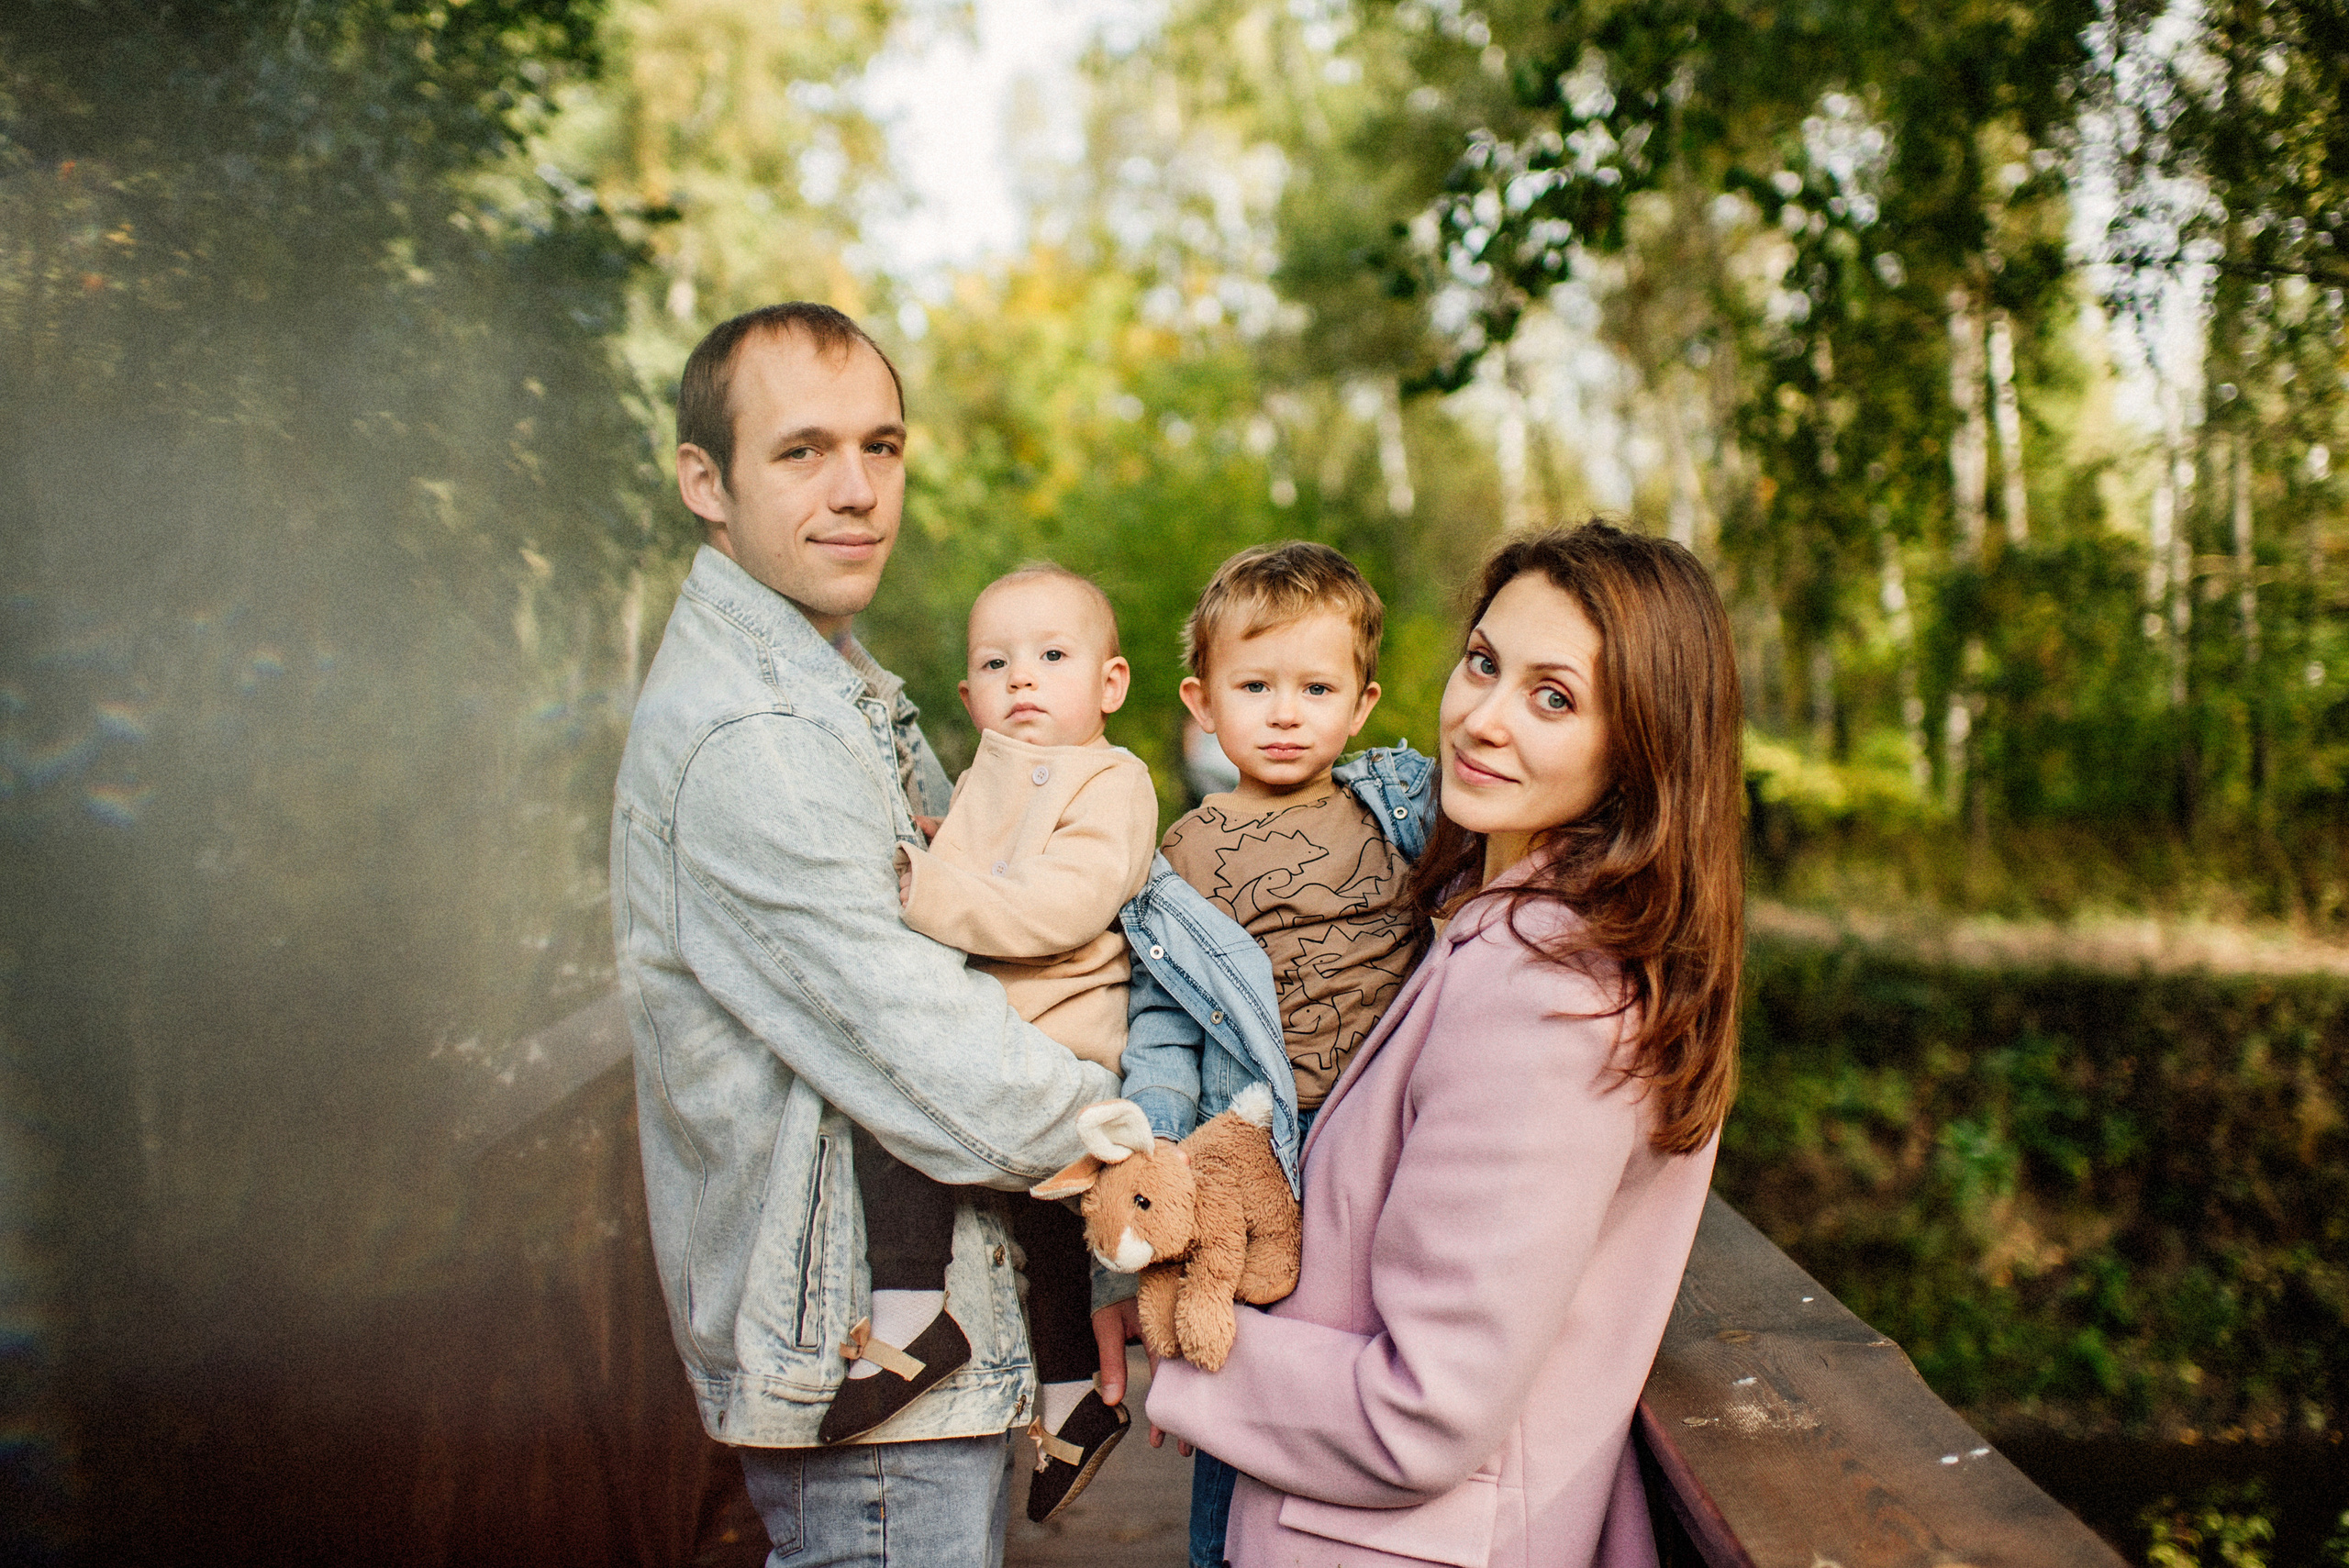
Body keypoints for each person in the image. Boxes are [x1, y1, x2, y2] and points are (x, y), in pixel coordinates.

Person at [610, 303, 1126, 1568]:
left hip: (896, 1339)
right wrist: (1132, 1142)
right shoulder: (759, 737)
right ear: (706, 483)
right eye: (801, 452)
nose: (856, 492)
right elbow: (925, 1045)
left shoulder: (828, 680)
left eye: (882, 447)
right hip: (864, 1363)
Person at [1143, 521, 1745, 1568]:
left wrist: (1185, 1349)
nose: (1480, 718)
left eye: (1551, 697)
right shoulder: (1507, 919)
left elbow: (1422, 1408)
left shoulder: (1550, 996)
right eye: (1483, 662)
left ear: (1639, 742)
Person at [1114, 540, 1438, 1568]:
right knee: (1236, 1362)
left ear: (1360, 701)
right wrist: (1152, 1158)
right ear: (1202, 702)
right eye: (1255, 686)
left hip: (1394, 1134)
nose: (1286, 711)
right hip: (1263, 1150)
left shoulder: (1400, 807)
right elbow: (1162, 1022)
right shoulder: (1184, 854)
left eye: (1315, 687)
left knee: (1390, 1366)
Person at [825, 564, 1153, 1525]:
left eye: (1053, 657)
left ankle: (911, 1318)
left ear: (1109, 683)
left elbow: (1062, 903)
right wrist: (943, 838)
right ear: (967, 695)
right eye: (997, 662)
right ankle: (1071, 1402)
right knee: (1041, 1240)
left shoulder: (1112, 778)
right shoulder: (982, 776)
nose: (1023, 679)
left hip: (1061, 1053)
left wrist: (924, 884)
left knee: (900, 1110)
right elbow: (983, 857)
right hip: (1006, 1044)